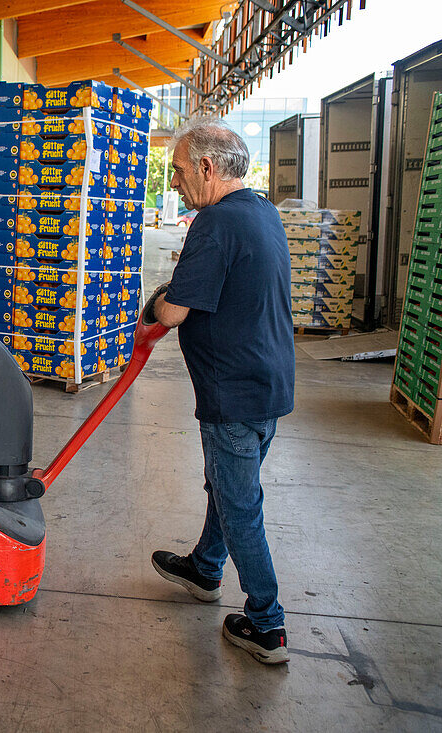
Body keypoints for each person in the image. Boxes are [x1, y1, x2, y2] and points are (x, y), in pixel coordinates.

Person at [147, 117, 295, 665]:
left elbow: (176, 311)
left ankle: (267, 625)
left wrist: (156, 303)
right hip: (268, 384)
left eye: (181, 171)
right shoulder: (262, 213)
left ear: (208, 168)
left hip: (234, 393)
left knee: (239, 506)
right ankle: (205, 569)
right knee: (228, 488)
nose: (176, 183)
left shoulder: (214, 224)